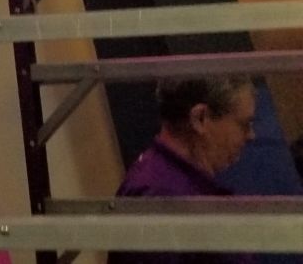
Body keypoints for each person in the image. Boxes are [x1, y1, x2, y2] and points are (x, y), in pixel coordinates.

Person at [108, 74, 258, 264]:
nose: (251, 135)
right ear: (200, 118)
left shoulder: (172, 187)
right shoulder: (160, 200)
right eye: (244, 124)